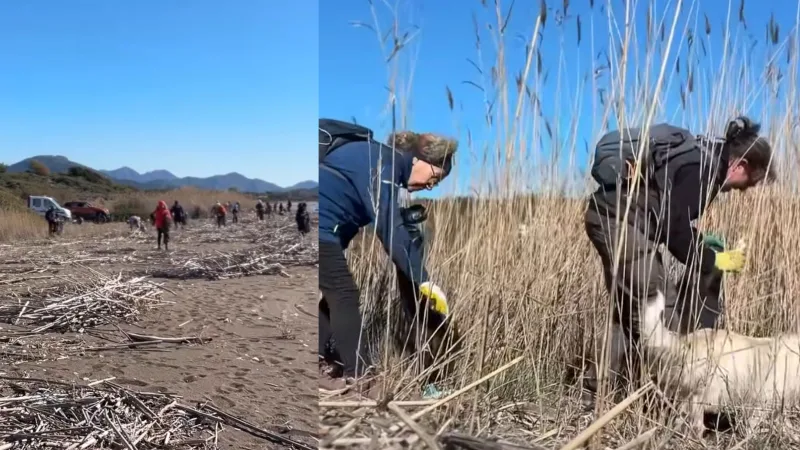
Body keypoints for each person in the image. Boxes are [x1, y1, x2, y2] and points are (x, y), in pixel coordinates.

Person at [579, 116, 775, 407]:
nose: (744, 190)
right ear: (741, 165)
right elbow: (672, 227)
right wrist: (714, 259)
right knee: (662, 312)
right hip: (623, 225)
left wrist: (702, 243)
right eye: (750, 183)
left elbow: (671, 216)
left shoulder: (700, 156)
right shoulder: (703, 169)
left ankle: (595, 392)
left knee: (627, 311)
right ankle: (664, 402)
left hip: (609, 219)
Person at [318, 119, 457, 391]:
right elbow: (388, 227)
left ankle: (321, 357)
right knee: (344, 294)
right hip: (319, 231)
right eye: (433, 178)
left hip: (321, 232)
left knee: (335, 294)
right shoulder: (385, 163)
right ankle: (361, 375)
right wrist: (424, 280)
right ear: (418, 159)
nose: (430, 186)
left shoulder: (378, 159)